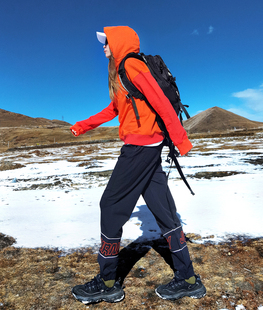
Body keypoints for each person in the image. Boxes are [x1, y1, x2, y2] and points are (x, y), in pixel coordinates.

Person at [70, 26, 206, 304]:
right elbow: (114, 110)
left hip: (140, 148)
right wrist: (83, 125)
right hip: (147, 149)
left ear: (118, 41)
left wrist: (181, 139)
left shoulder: (131, 65)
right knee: (164, 212)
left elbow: (160, 101)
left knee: (110, 206)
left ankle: (108, 282)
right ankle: (189, 279)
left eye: (106, 41)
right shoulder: (121, 74)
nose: (103, 46)